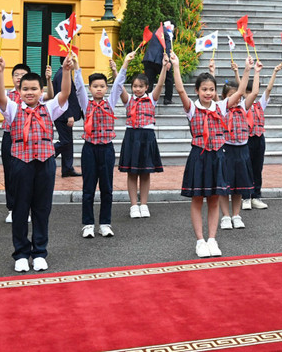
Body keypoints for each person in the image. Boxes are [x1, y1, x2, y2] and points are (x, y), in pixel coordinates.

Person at [0, 54, 72, 272]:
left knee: (42, 209)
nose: (29, 92)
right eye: (25, 89)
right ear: (19, 91)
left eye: (34, 89)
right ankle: (20, 253)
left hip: (45, 163)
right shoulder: (13, 108)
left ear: (41, 91)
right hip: (20, 162)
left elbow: (65, 94)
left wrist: (66, 71)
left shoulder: (49, 108)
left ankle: (39, 252)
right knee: (20, 209)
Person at [171, 51, 247, 258]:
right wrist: (176, 66)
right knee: (197, 199)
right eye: (204, 89)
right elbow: (179, 89)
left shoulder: (221, 106)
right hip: (199, 156)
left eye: (211, 89)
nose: (207, 93)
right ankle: (200, 241)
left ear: (215, 92)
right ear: (197, 90)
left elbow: (240, 92)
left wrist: (247, 70)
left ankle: (212, 239)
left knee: (214, 199)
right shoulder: (192, 109)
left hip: (218, 157)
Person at [0, 62, 53, 223]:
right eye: (16, 74)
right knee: (10, 173)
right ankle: (12, 207)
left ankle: (29, 208)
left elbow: (50, 96)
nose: (18, 77)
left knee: (30, 176)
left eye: (22, 74)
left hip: (32, 140)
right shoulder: (8, 94)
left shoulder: (34, 95)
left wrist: (48, 79)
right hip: (10, 136)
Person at [75, 52, 129, 238]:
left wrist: (123, 66)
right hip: (89, 149)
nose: (99, 89)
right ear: (90, 88)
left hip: (107, 148)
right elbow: (78, 88)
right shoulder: (85, 104)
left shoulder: (110, 103)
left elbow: (119, 86)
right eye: (95, 86)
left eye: (102, 86)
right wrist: (76, 67)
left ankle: (105, 223)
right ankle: (88, 224)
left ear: (106, 88)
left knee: (107, 188)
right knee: (88, 188)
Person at [115, 54, 169, 219]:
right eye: (135, 86)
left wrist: (164, 68)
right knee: (131, 173)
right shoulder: (128, 99)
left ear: (147, 87)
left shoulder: (152, 99)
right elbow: (118, 86)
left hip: (147, 137)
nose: (137, 89)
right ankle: (133, 205)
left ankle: (144, 204)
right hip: (132, 136)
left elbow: (160, 84)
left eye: (141, 86)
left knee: (145, 173)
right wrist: (117, 68)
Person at [215, 58, 259, 230]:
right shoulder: (221, 107)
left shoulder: (244, 107)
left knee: (239, 186)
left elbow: (253, 92)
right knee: (225, 184)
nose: (235, 98)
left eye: (237, 96)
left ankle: (236, 215)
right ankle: (225, 216)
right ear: (225, 97)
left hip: (242, 149)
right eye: (231, 96)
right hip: (226, 149)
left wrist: (254, 71)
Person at [240, 62, 282, 210]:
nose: (249, 94)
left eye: (251, 91)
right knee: (246, 168)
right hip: (246, 140)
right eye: (247, 91)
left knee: (257, 168)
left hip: (259, 139)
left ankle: (256, 196)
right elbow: (240, 86)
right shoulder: (241, 105)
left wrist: (275, 72)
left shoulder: (260, 104)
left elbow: (268, 89)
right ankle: (245, 197)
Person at [53, 63, 83, 178]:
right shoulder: (62, 74)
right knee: (65, 141)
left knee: (68, 142)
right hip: (63, 115)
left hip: (63, 115)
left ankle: (67, 168)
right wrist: (69, 114)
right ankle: (48, 155)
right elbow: (64, 96)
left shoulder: (63, 73)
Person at [142, 25, 174, 105]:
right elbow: (168, 47)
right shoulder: (167, 33)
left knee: (149, 80)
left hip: (149, 58)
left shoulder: (156, 30)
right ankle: (167, 99)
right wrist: (168, 60)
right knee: (169, 78)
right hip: (160, 59)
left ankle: (146, 99)